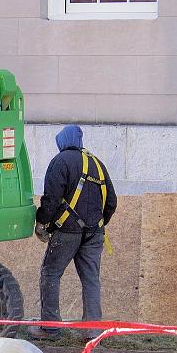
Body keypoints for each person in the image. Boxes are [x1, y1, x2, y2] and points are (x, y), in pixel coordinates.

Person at [29, 125, 117, 341]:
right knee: (90, 279)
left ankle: (50, 328)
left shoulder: (60, 162)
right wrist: (97, 223)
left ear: (62, 141)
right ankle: (92, 331)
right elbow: (112, 201)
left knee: (50, 274)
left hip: (67, 231)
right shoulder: (98, 164)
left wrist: (42, 222)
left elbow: (50, 199)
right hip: (95, 232)